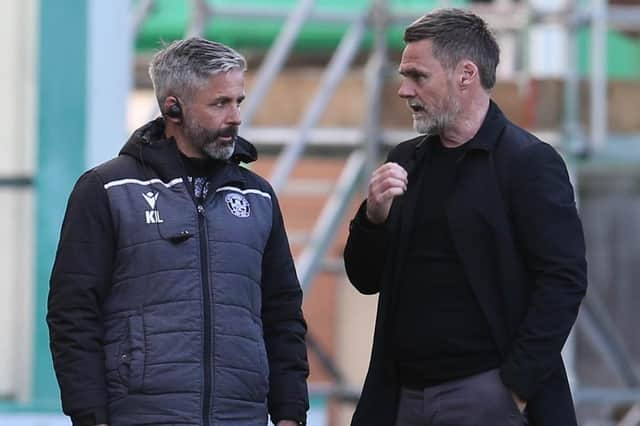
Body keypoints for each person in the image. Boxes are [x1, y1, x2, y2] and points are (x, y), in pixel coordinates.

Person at [343, 8, 587, 426]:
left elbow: (563, 280)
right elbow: (365, 280)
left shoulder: (528, 163)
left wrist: (515, 387)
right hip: (401, 396)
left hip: (488, 397)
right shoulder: (407, 161)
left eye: (418, 75)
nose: (404, 90)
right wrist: (374, 218)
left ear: (466, 74)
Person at [47, 37, 308, 426]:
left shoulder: (258, 196)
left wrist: (290, 412)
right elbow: (73, 314)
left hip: (242, 416)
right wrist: (90, 416)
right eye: (220, 103)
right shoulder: (107, 189)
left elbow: (283, 312)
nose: (235, 116)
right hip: (140, 415)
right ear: (173, 107)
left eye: (238, 101)